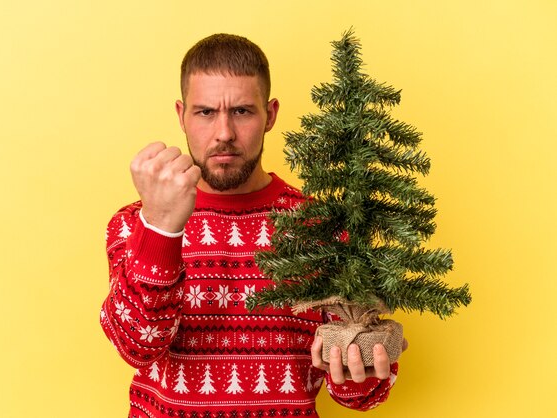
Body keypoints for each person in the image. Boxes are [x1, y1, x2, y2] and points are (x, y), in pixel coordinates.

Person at [100, 33, 401, 418]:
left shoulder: (324, 230)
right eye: (205, 112)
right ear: (181, 115)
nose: (224, 133)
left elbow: (360, 398)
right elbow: (137, 346)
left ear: (270, 114)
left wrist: (363, 373)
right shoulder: (134, 224)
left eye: (242, 111)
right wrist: (161, 227)